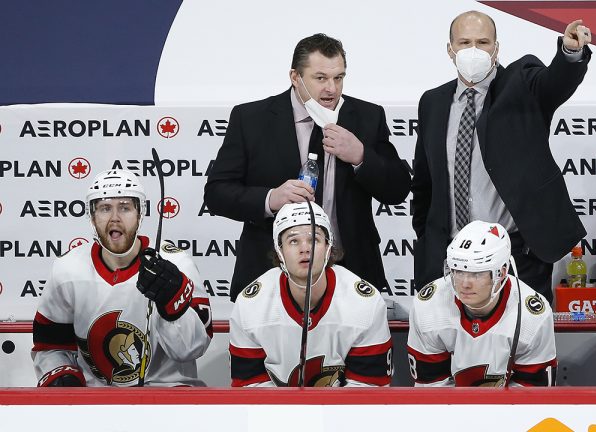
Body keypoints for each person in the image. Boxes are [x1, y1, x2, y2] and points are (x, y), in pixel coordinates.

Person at [205, 33, 411, 302]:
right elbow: (217, 194)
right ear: (295, 77)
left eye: (339, 77)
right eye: (320, 78)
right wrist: (270, 198)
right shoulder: (251, 119)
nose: (332, 89)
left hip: (351, 272)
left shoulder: (367, 116)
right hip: (270, 273)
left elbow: (398, 190)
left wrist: (362, 157)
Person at [412, 11, 593, 303]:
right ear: (450, 50)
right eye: (465, 42)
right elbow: (424, 182)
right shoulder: (431, 102)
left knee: (522, 344)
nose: (473, 50)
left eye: (482, 42)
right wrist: (427, 238)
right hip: (448, 256)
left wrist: (570, 52)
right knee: (445, 344)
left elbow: (554, 83)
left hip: (516, 254)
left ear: (496, 48)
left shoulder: (521, 83)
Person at [32, 169, 212, 387]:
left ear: (139, 214)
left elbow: (190, 350)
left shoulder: (178, 265)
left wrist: (173, 308)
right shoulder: (67, 269)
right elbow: (50, 346)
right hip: (96, 403)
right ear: (92, 216)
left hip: (169, 395)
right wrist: (61, 376)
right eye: (105, 208)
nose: (115, 218)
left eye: (125, 208)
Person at [229, 202, 392, 387]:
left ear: (328, 247)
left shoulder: (365, 304)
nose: (305, 249)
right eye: (293, 241)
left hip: (343, 415)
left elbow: (368, 393)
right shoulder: (250, 305)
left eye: (314, 239)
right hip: (273, 414)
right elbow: (249, 391)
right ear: (279, 250)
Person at [407, 220, 556, 387]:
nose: (464, 283)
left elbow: (532, 397)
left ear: (502, 272)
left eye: (476, 274)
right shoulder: (429, 306)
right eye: (458, 271)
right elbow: (431, 391)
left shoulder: (533, 316)